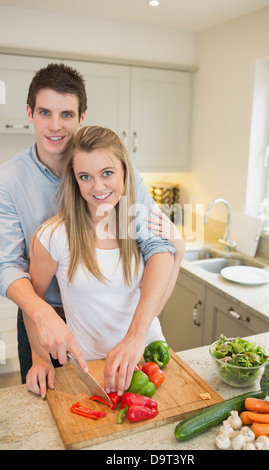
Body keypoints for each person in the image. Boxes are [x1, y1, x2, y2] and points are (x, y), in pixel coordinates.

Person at [0, 63, 184, 392]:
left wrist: (138, 332)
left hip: (104, 316)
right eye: (45, 112)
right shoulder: (10, 179)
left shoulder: (114, 171)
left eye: (67, 114)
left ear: (82, 116)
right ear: (30, 112)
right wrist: (41, 318)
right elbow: (7, 264)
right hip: (40, 312)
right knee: (49, 401)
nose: (55, 126)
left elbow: (156, 244)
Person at [25, 125, 183, 397]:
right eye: (85, 176)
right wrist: (39, 359)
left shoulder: (140, 223)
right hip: (93, 368)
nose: (98, 187)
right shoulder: (53, 235)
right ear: (74, 180)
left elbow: (156, 304)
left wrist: (178, 254)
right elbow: (33, 305)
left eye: (107, 173)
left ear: (125, 170)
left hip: (149, 360)